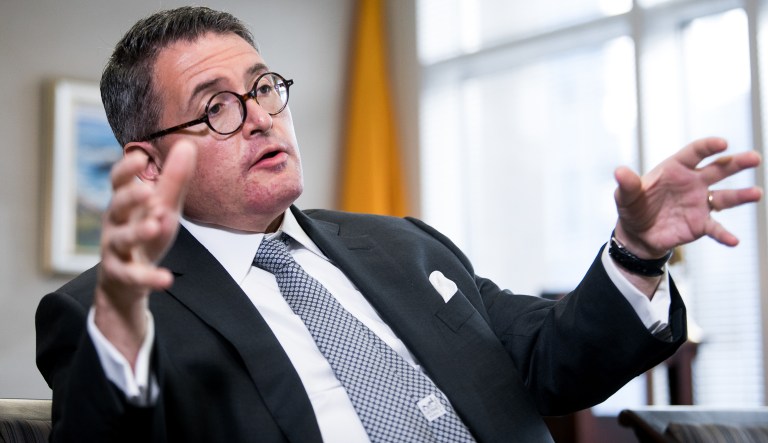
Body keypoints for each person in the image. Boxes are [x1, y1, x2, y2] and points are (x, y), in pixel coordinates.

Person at [35, 6, 762, 443]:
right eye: (217, 106)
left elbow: (553, 357)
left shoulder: (402, 246)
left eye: (264, 88)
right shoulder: (107, 314)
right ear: (149, 164)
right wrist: (120, 338)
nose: (260, 117)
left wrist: (636, 251)